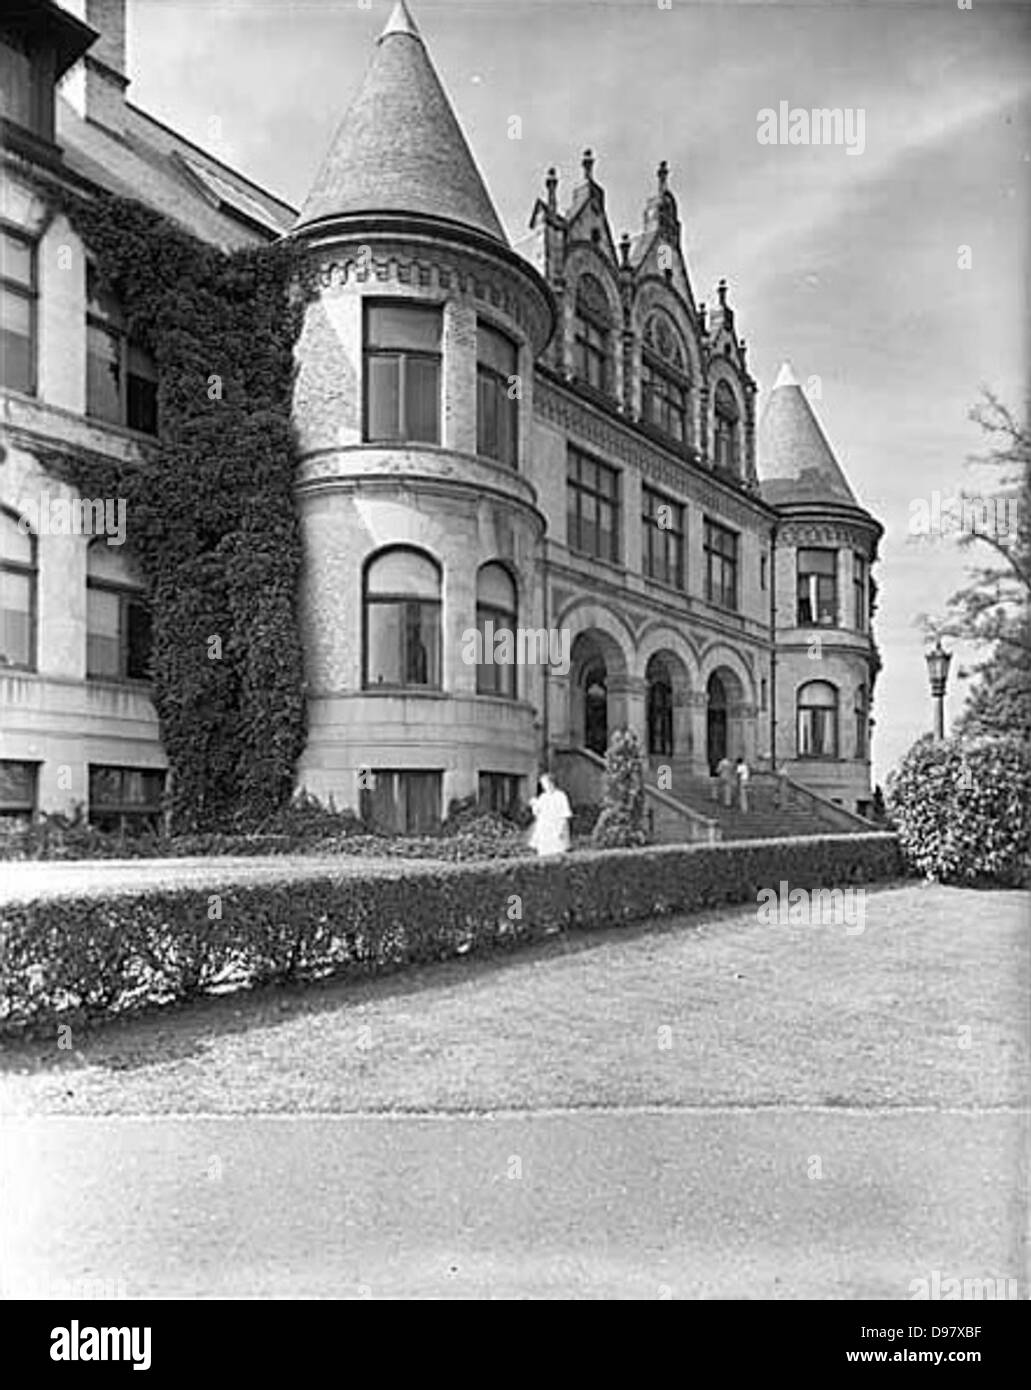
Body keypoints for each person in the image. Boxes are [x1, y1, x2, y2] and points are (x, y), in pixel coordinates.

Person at [528, 772, 572, 857]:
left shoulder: (561, 796)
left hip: (556, 827)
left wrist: (561, 829)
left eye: (545, 783)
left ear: (551, 783)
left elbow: (565, 814)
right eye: (542, 784)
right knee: (544, 852)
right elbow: (537, 813)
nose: (544, 786)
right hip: (545, 829)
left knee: (557, 851)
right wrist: (534, 805)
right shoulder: (543, 797)